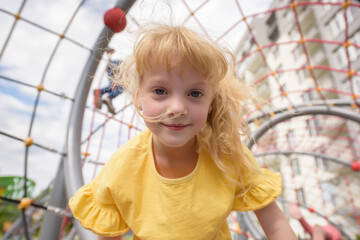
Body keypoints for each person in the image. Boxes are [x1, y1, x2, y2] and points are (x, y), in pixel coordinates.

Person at [69, 23, 296, 240]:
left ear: (211, 103)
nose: (177, 108)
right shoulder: (121, 168)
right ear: (138, 96)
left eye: (195, 93)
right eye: (160, 90)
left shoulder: (228, 155)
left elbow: (275, 225)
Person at [94, 48, 123, 115]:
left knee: (113, 86)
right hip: (115, 67)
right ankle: (108, 98)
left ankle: (101, 92)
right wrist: (109, 53)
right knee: (121, 87)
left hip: (113, 67)